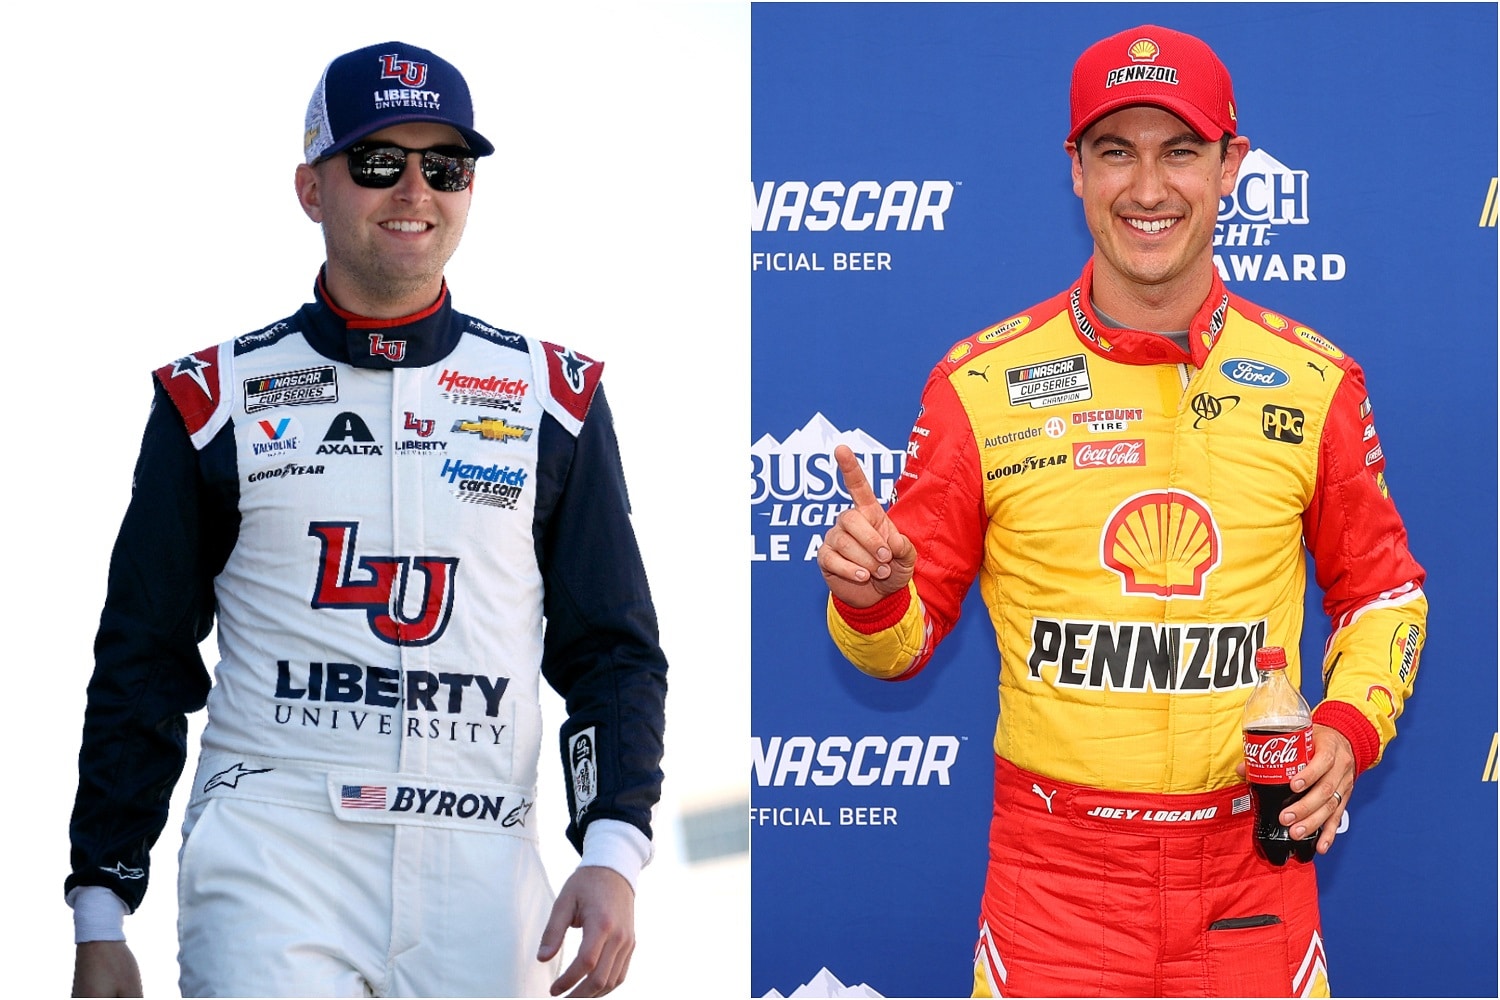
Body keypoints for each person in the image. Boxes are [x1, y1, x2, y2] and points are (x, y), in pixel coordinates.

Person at [817, 24, 1425, 999]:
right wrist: (872, 597)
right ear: (1075, 170)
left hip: (1252, 873)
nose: (1148, 188)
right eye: (1116, 152)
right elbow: (896, 647)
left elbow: (1385, 595)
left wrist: (1346, 730)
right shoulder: (979, 384)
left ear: (1231, 165)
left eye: (1180, 150)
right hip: (1056, 887)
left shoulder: (1316, 382)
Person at [66, 40, 667, 998]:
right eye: (379, 163)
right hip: (276, 854)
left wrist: (614, 849)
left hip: (482, 863)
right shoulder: (210, 398)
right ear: (311, 189)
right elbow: (141, 660)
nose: (414, 191)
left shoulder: (554, 399)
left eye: (446, 167)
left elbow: (612, 652)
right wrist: (101, 907)